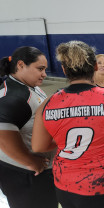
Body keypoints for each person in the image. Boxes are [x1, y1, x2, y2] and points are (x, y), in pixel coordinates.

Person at [31, 40, 104, 208]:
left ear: (63, 69)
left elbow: (38, 146)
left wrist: (67, 142)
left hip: (65, 185)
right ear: (95, 67)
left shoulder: (47, 104)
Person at [0, 47, 58, 208]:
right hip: (25, 173)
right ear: (20, 65)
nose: (44, 74)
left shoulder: (27, 86)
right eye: (40, 69)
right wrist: (30, 161)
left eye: (45, 69)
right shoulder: (16, 96)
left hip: (33, 171)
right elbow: (2, 135)